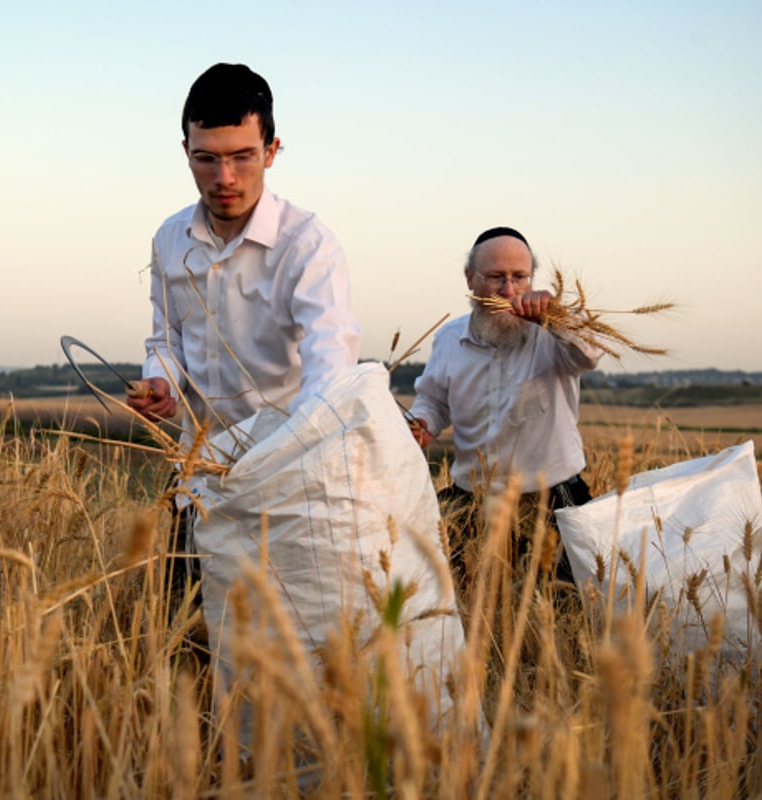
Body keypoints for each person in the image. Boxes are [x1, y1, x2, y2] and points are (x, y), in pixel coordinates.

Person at [127, 63, 362, 640]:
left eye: (242, 156)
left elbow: (331, 373)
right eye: (206, 157)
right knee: (188, 640)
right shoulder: (169, 238)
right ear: (185, 149)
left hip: (286, 483)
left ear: (273, 149)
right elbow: (167, 339)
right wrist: (161, 382)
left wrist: (276, 462)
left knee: (284, 647)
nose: (223, 176)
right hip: (198, 478)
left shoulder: (309, 246)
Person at [409, 226, 603, 588]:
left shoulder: (553, 334)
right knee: (451, 595)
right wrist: (422, 422)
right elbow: (434, 400)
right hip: (473, 499)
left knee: (555, 608)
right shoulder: (449, 339)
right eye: (496, 278)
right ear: (470, 279)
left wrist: (556, 317)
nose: (509, 290)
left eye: (519, 278)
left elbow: (590, 353)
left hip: (553, 498)